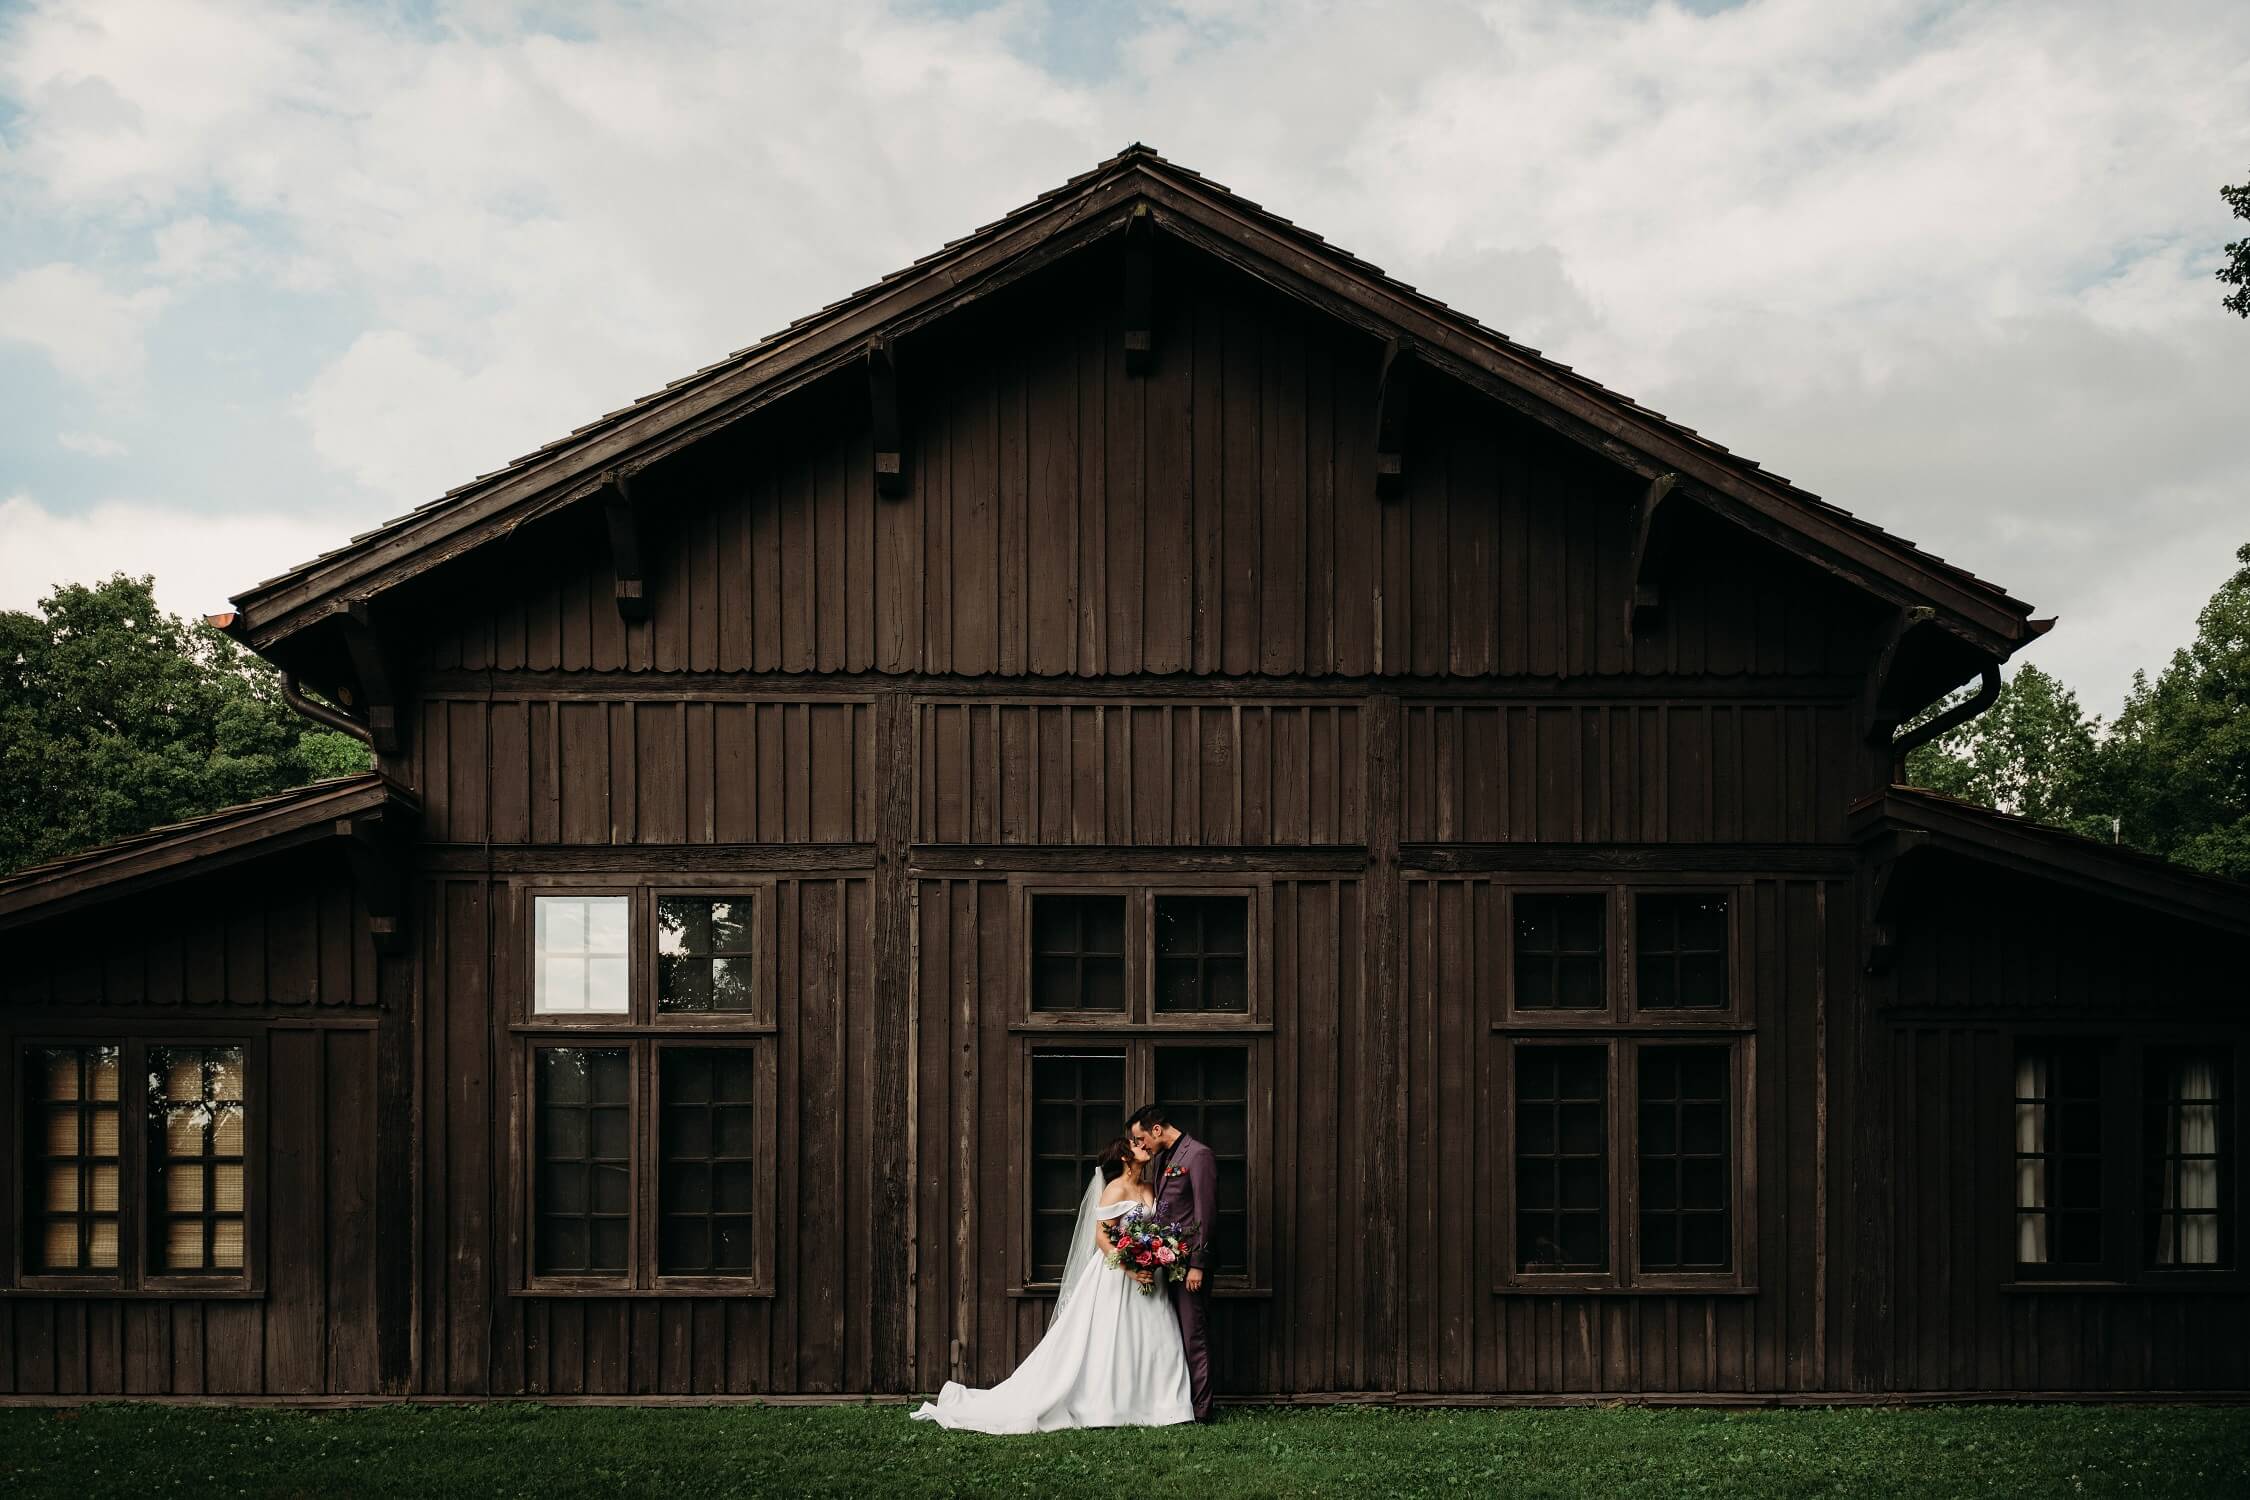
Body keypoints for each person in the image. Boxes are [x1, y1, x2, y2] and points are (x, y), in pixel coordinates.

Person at [909, 1137, 1193, 1433]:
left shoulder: (1149, 1188)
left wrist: (1156, 1255)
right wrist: (1130, 1269)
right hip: (1119, 1274)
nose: (1144, 1146)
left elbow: (1155, 1227)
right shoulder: (1115, 1189)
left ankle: (1163, 1404)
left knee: (1155, 1334)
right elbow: (1102, 1237)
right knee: (1114, 1336)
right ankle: (1110, 1404)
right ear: (1124, 1157)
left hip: (1151, 1273)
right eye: (1136, 1144)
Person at [1128, 1105, 1216, 1423]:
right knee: (1173, 1336)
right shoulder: (1164, 1158)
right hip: (1167, 1263)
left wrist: (1198, 1264)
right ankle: (1180, 1405)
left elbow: (1205, 1215)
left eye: (1141, 1139)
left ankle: (1203, 1411)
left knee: (1194, 1334)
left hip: (1189, 1266)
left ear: (1156, 1129)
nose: (1141, 1147)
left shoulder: (1199, 1155)